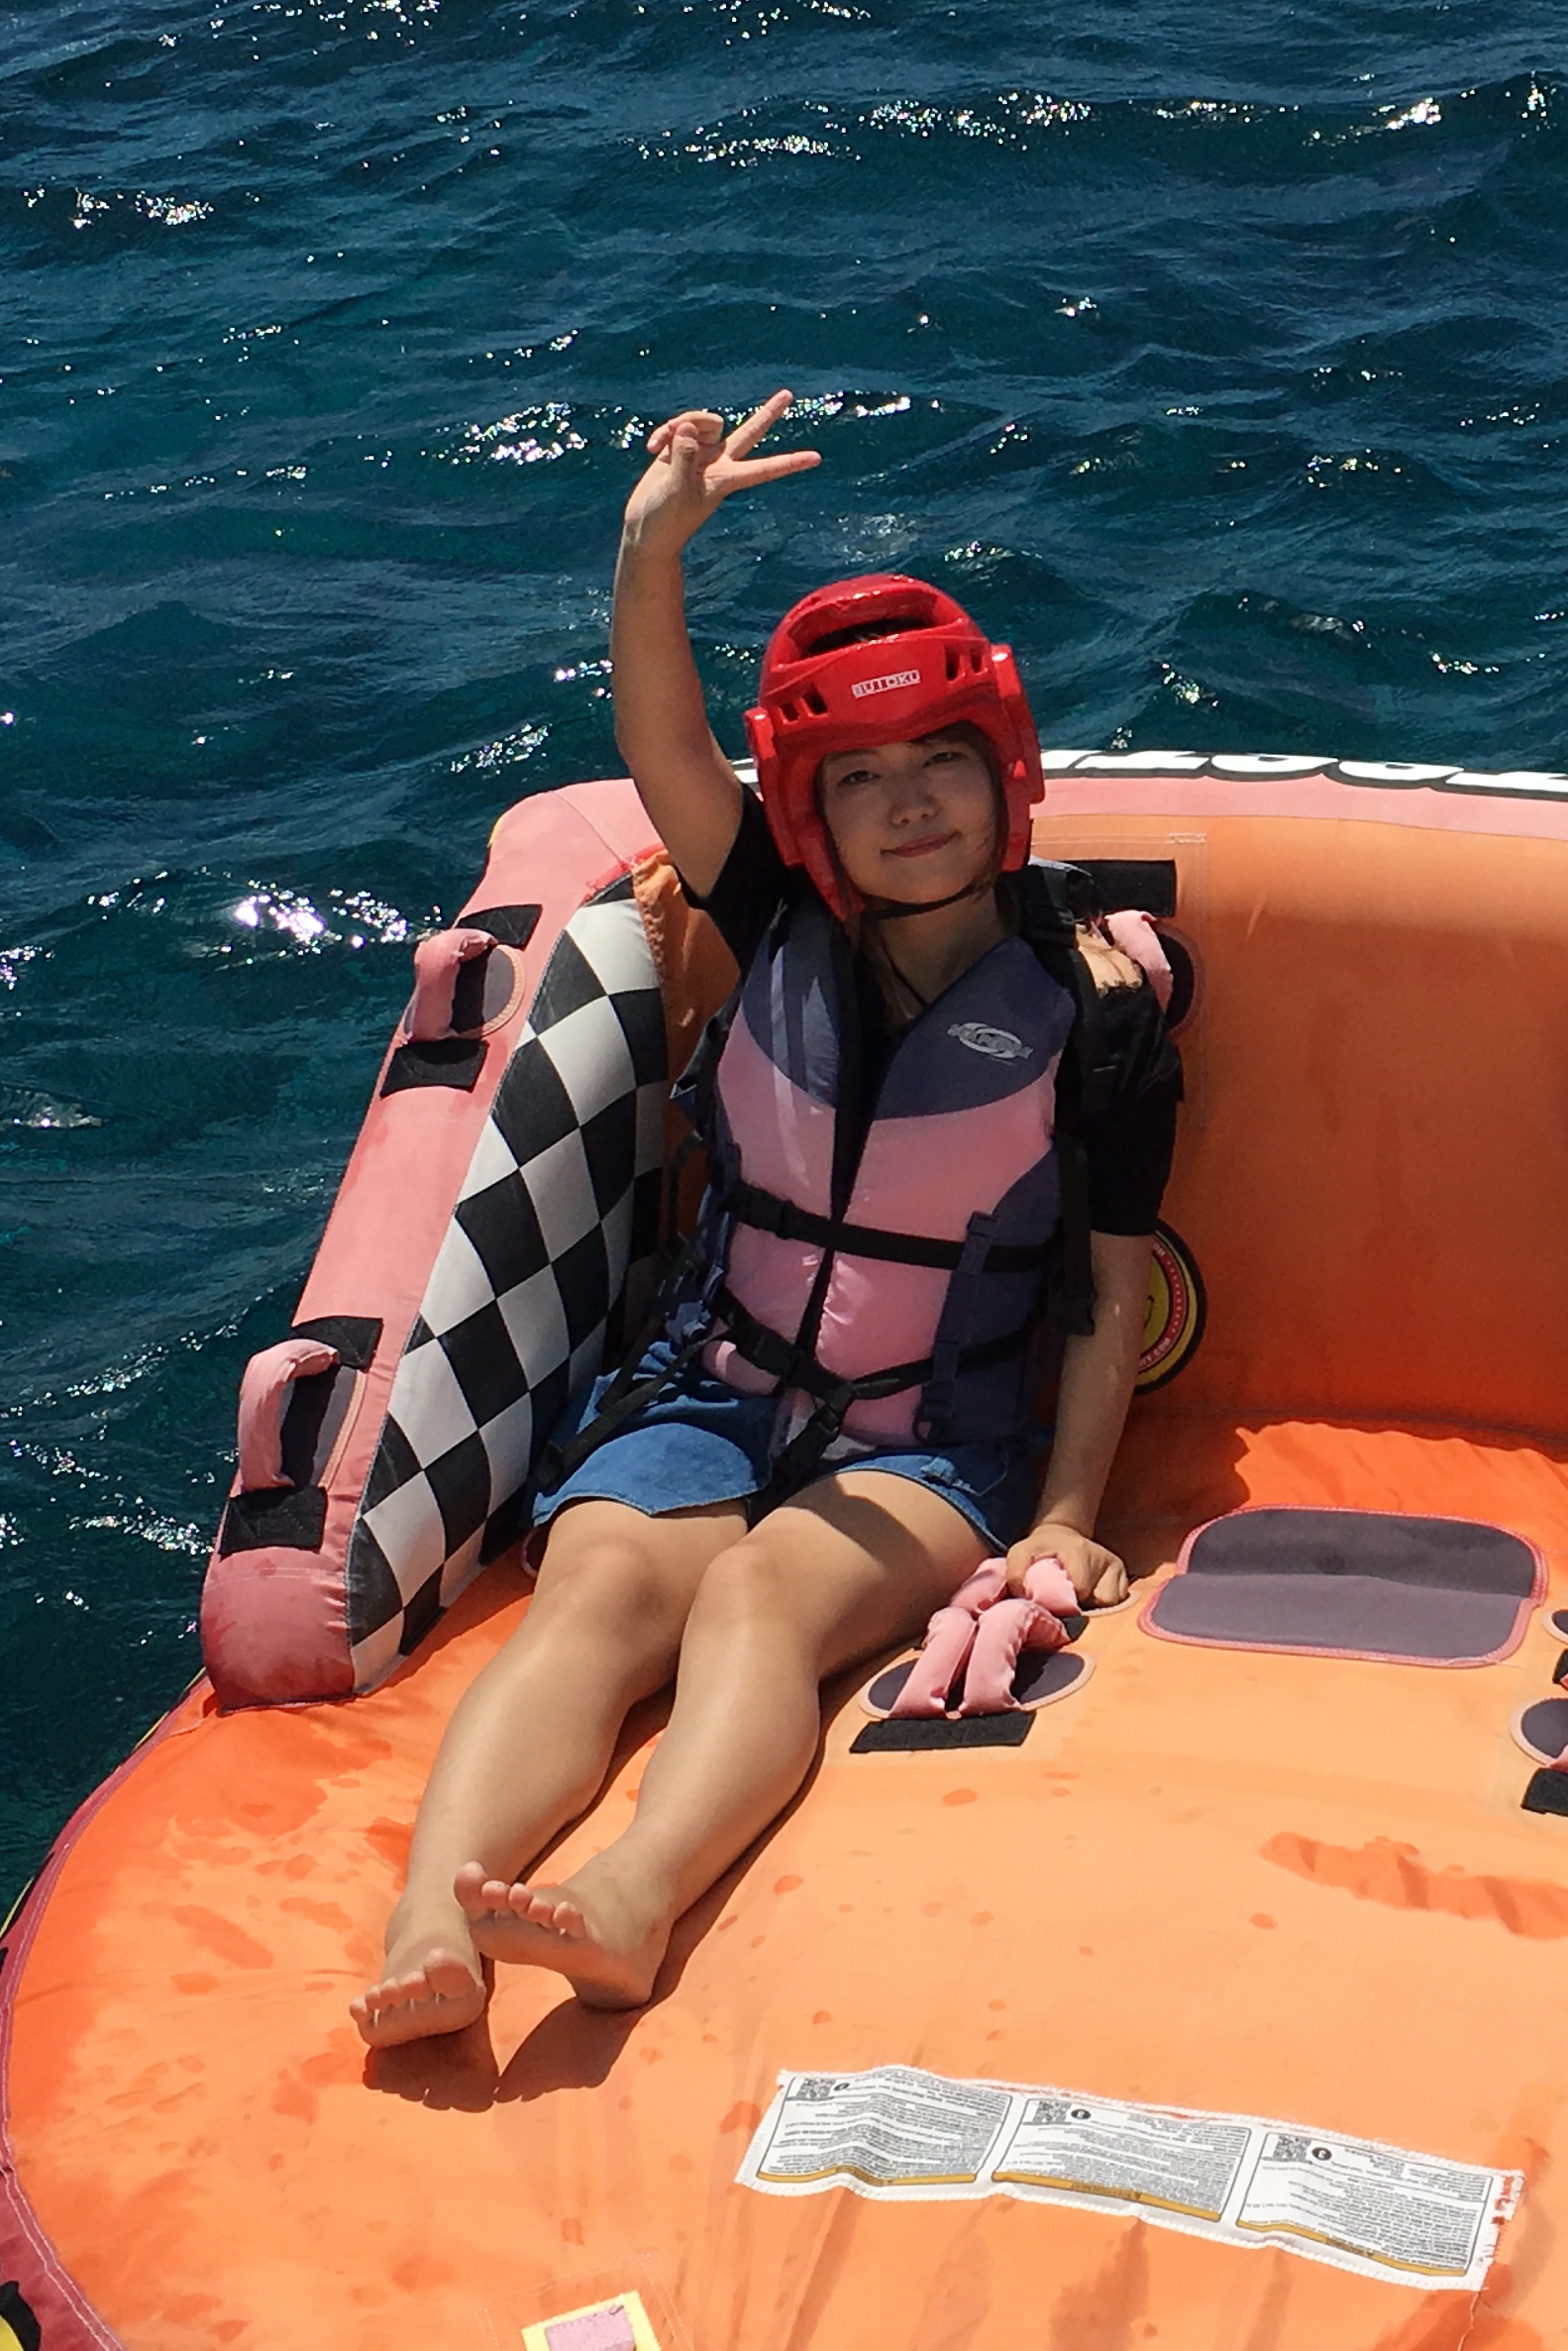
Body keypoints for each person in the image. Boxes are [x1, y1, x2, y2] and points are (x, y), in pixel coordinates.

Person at [351, 391, 1180, 2050]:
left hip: (929, 1445)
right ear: (810, 811)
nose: (909, 803)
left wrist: (1068, 1517)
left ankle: (635, 1896)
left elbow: (1107, 1294)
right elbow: (666, 750)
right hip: (709, 1391)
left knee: (760, 1602)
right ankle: (433, 1916)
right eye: (860, 778)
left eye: (941, 763)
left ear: (1004, 771)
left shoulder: (1095, 1013)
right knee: (597, 1587)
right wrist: (650, 551)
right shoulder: (775, 916)